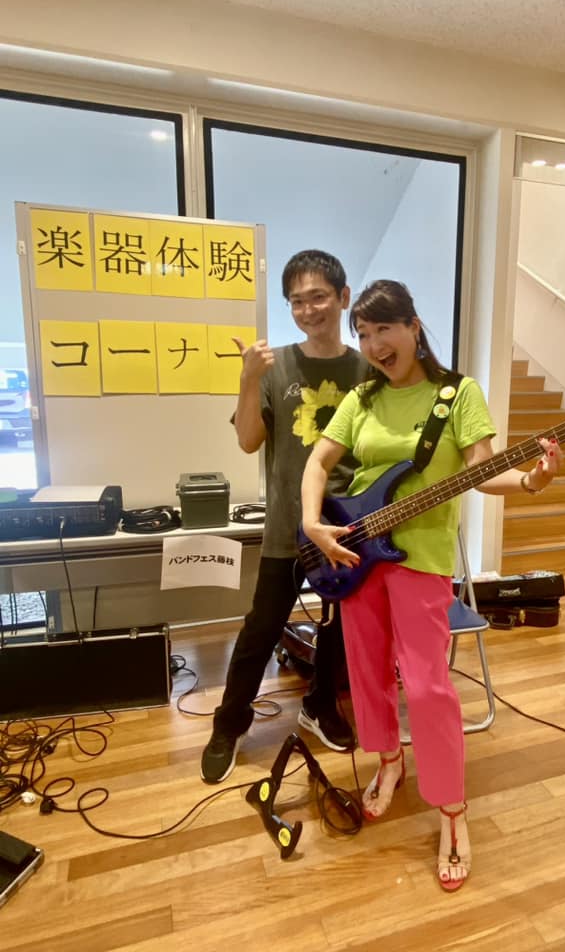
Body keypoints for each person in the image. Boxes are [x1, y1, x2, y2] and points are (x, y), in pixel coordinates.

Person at [301, 280, 563, 891]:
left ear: (413, 327)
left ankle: (451, 809)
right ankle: (389, 762)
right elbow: (318, 462)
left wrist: (533, 480)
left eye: (383, 330)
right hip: (354, 554)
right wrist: (313, 523)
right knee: (365, 673)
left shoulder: (457, 394)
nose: (373, 345)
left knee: (427, 687)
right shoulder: (362, 398)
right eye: (363, 334)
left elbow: (482, 472)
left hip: (421, 560)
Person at [201, 250, 367, 784]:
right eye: (297, 301)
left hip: (349, 525)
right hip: (286, 527)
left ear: (343, 298)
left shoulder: (367, 370)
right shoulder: (276, 368)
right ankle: (229, 723)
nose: (308, 310)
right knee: (261, 628)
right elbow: (249, 440)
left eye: (318, 297)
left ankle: (320, 705)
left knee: (341, 627)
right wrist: (248, 378)